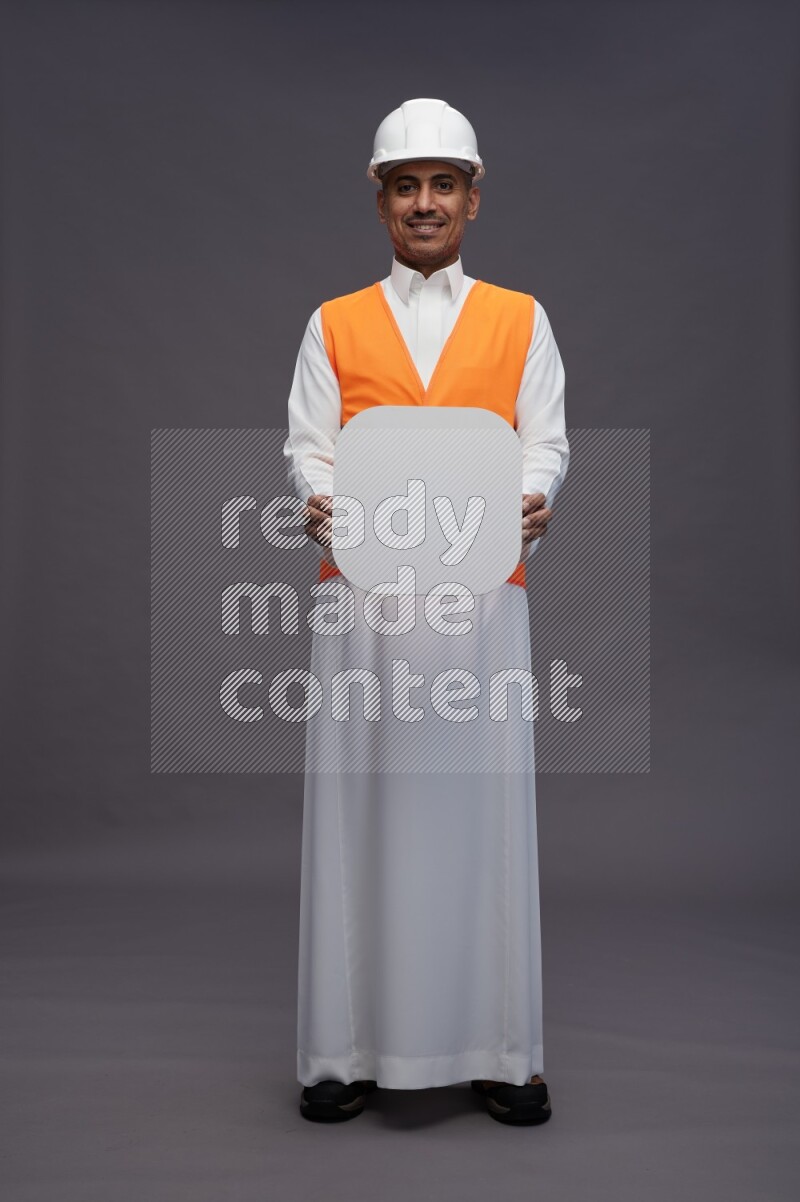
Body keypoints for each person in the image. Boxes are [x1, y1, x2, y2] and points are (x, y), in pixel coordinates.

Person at [283, 98, 569, 1126]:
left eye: (442, 183)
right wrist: (316, 501)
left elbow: (543, 440)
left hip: (481, 600)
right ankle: (342, 1050)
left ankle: (499, 1048)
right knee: (358, 811)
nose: (423, 202)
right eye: (404, 185)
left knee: (480, 812)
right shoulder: (332, 321)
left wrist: (533, 499)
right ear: (380, 202)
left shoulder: (521, 317)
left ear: (471, 200)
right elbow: (309, 446)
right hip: (361, 602)